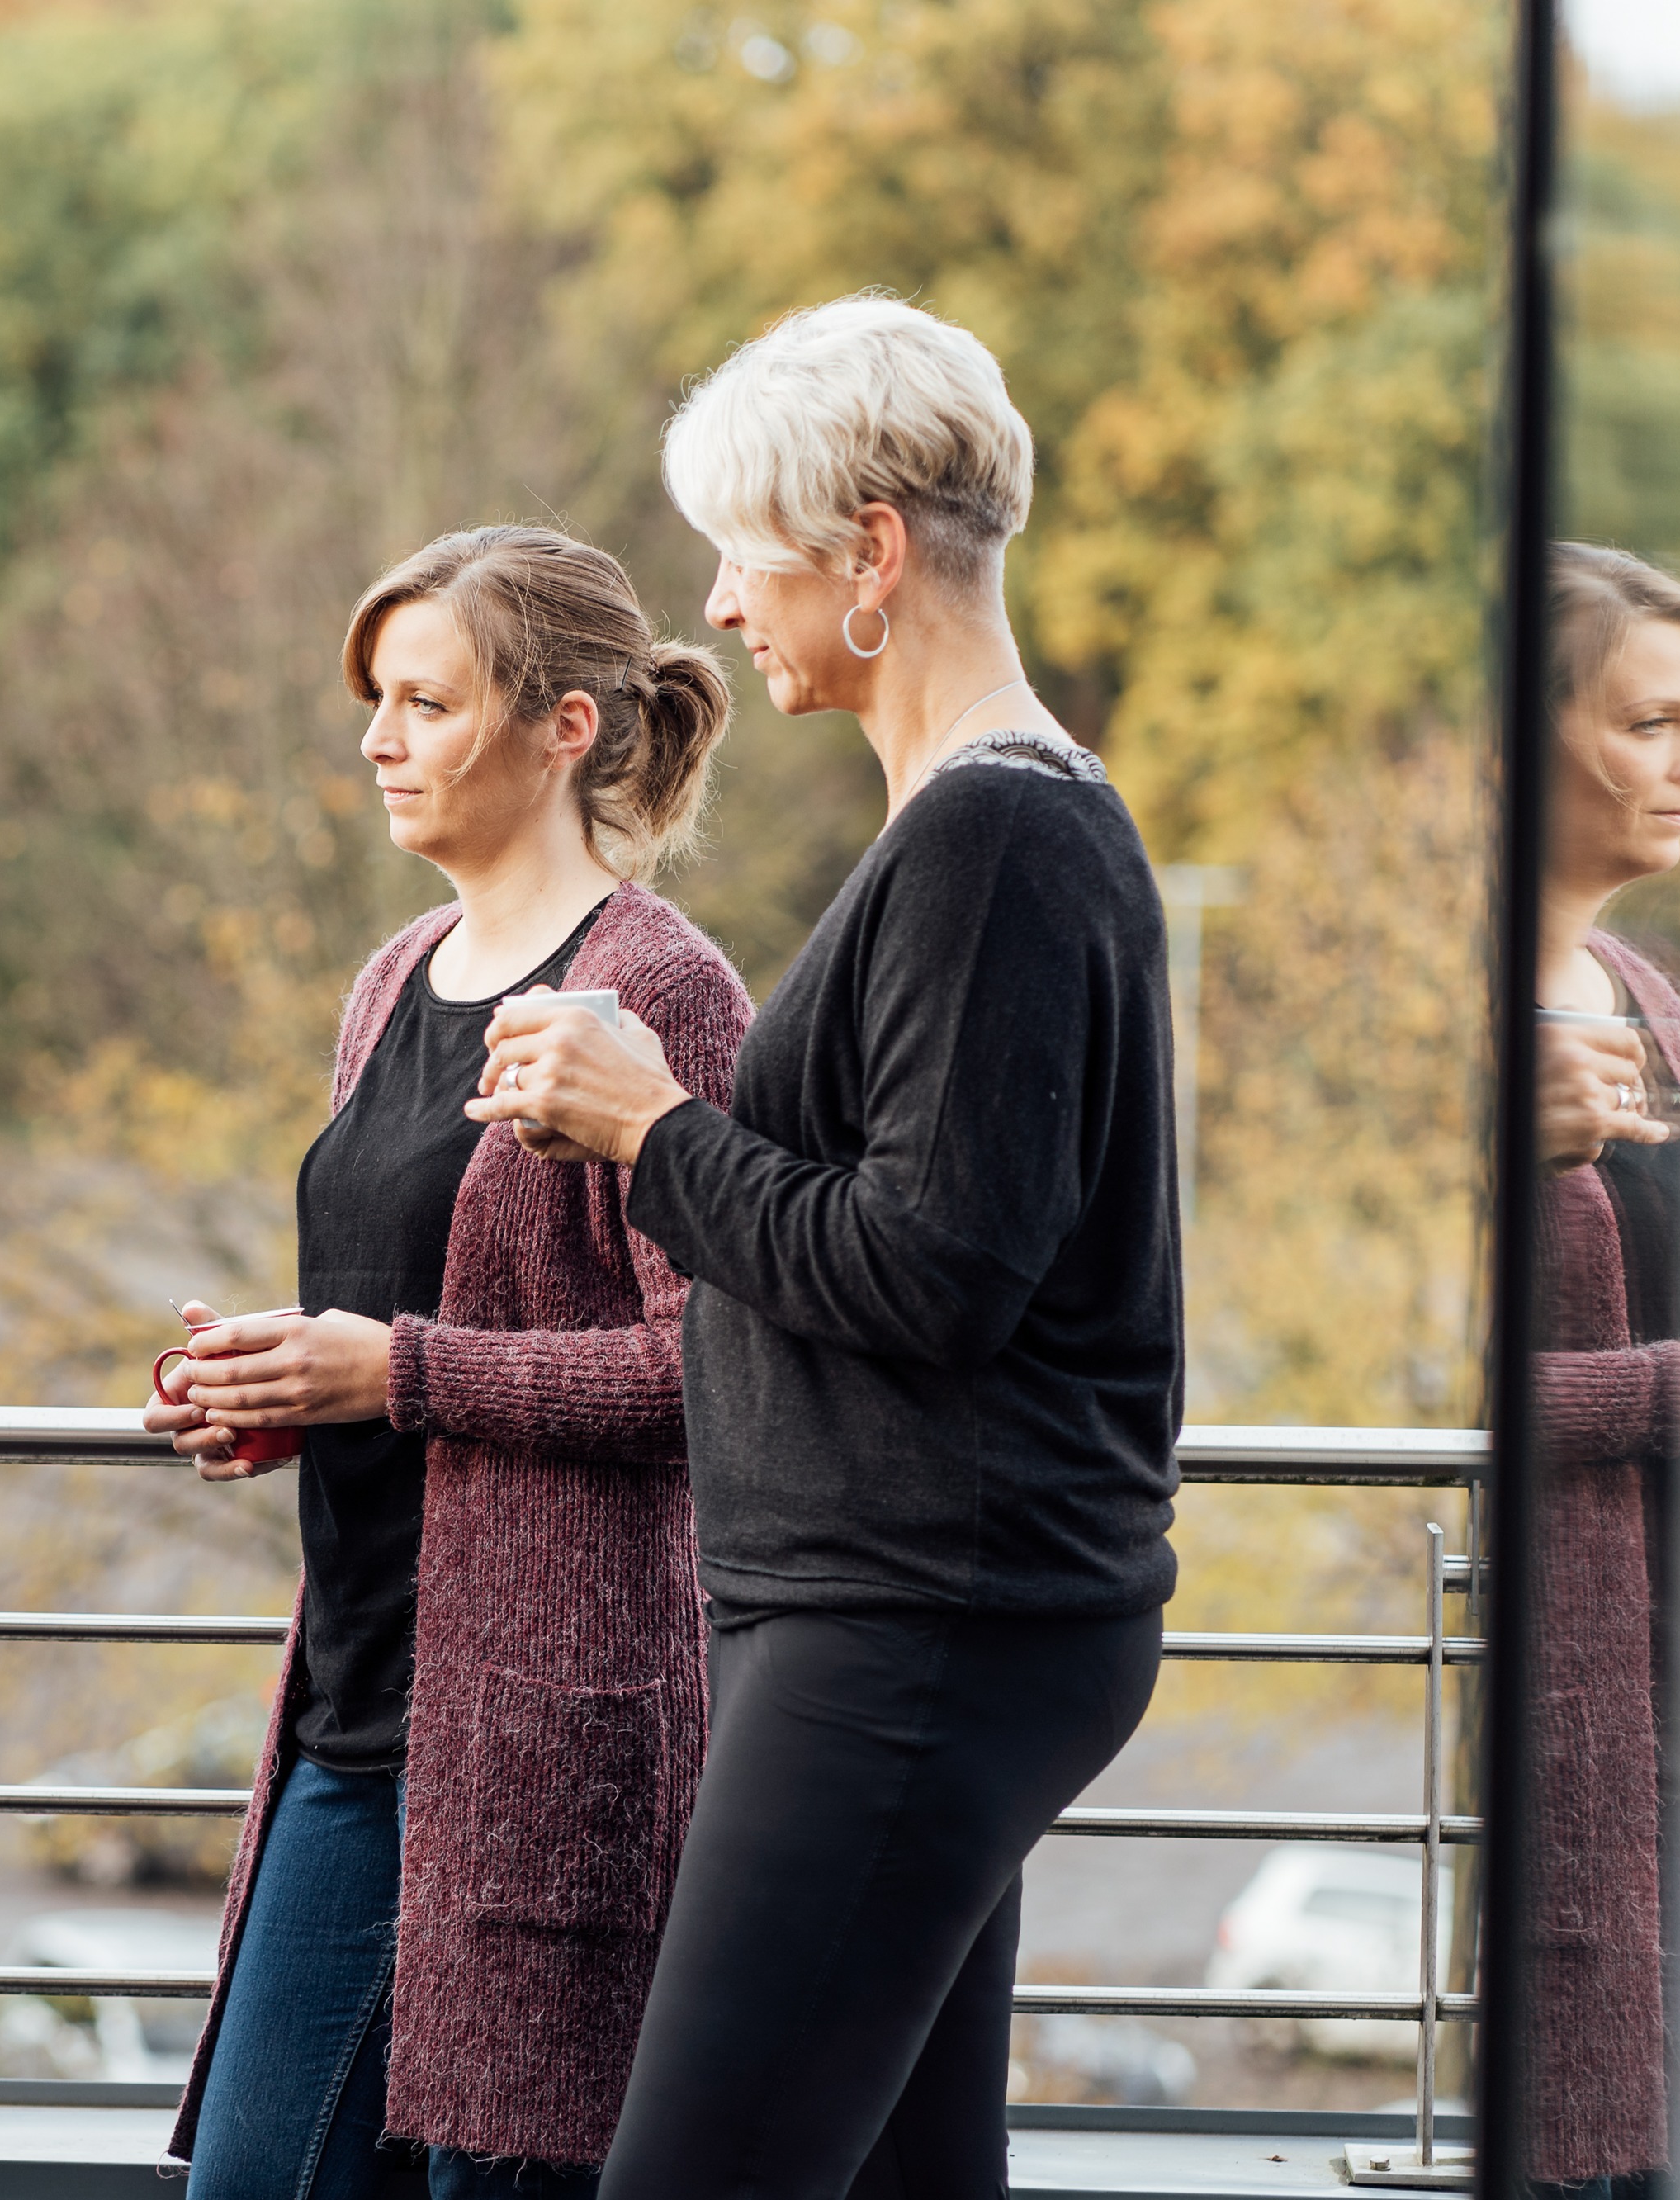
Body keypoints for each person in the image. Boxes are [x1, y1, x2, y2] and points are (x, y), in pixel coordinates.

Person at [480, 296, 1180, 2197]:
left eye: (745, 555)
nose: (717, 606)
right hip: (916, 1610)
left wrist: (650, 1128)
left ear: (870, 555)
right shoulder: (992, 829)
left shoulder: (993, 847)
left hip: (923, 1620)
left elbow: (935, 1270)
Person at [151, 525, 752, 2196]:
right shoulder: (392, 979)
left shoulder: (660, 989)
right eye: (375, 700)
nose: (377, 738)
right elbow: (393, 1313)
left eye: (425, 701)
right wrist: (273, 1391)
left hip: (540, 1737)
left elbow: (712, 1376)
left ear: (565, 725)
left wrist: (391, 1375)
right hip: (351, 1708)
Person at [1519, 542, 1680, 2198]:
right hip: (1565, 1693)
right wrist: (1679, 1395)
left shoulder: (1646, 995)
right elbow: (1449, 1396)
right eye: (1652, 724)